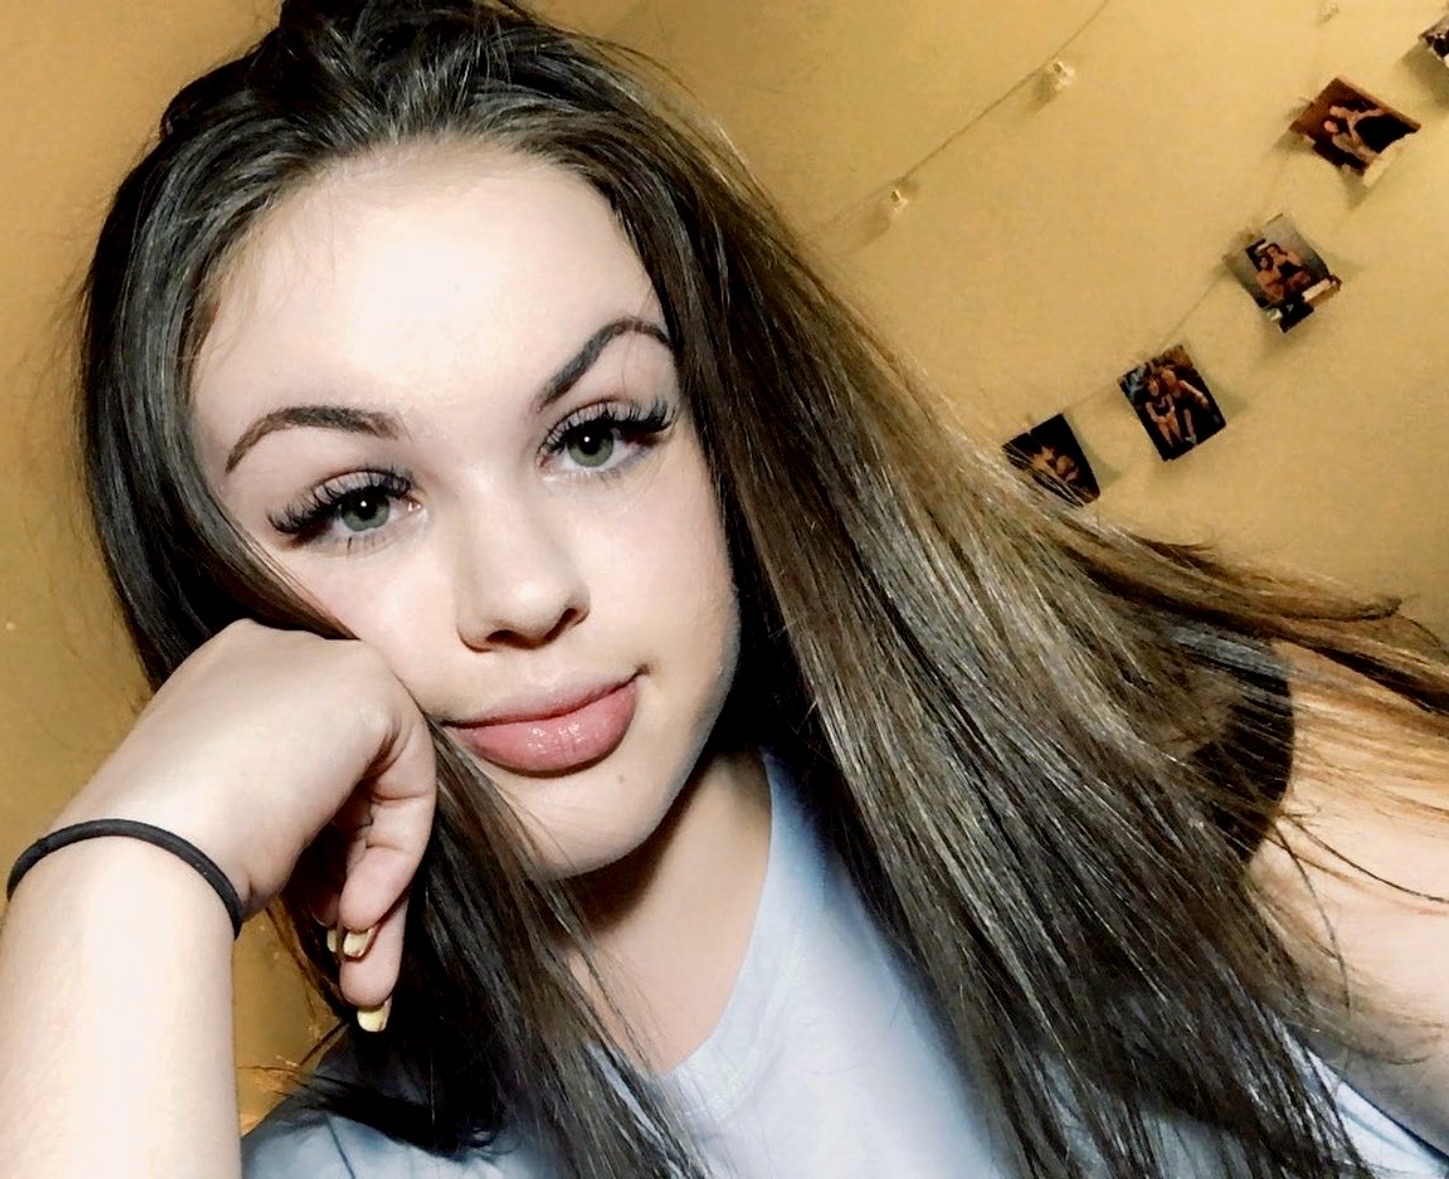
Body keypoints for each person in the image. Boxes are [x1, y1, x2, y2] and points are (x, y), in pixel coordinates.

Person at [3, 3, 1449, 1177]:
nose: (525, 591)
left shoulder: (1170, 749)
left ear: (727, 432)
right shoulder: (324, 1162)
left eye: (596, 435)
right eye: (358, 504)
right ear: (220, 611)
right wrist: (120, 879)